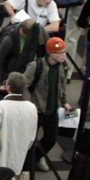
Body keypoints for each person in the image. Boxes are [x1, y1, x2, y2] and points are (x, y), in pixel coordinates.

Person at [23, 37, 73, 172]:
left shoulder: (63, 66)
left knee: (51, 139)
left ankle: (38, 157)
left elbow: (62, 86)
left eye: (65, 52)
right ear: (50, 53)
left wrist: (65, 102)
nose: (64, 56)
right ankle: (26, 169)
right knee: (29, 140)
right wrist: (31, 104)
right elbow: (24, 86)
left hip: (53, 110)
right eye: (60, 53)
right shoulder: (36, 66)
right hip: (37, 110)